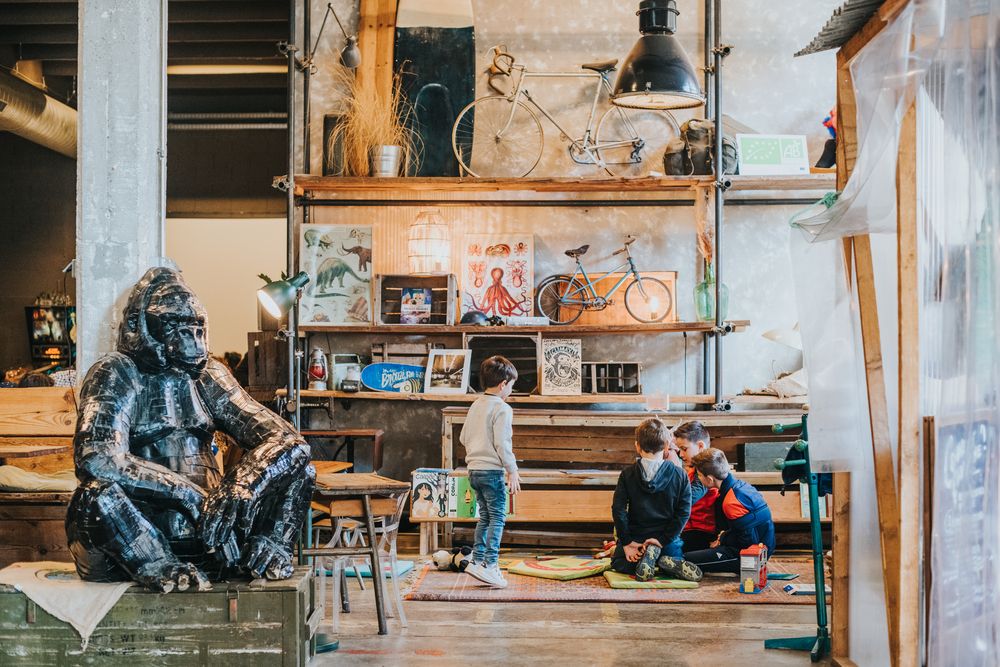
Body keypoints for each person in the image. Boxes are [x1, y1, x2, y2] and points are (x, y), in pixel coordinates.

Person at [610, 418, 702, 582]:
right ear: (667, 446)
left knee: (618, 562)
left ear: (637, 446)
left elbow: (619, 510)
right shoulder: (680, 474)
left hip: (636, 539)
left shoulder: (627, 474)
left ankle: (649, 562)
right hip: (667, 542)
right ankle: (663, 562)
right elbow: (683, 513)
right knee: (675, 556)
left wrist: (627, 542)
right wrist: (663, 540)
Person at [459, 355, 521, 588]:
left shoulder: (476, 404)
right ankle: (490, 565)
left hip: (473, 470)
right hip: (492, 471)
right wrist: (512, 470)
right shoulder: (502, 408)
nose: (511, 390)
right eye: (512, 386)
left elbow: (463, 437)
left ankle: (477, 559)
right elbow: (502, 444)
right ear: (504, 384)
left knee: (484, 516)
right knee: (498, 516)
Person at [683, 448, 776, 574]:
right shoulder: (739, 486)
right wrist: (723, 537)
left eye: (699, 476)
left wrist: (723, 539)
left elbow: (747, 543)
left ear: (710, 479)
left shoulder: (731, 501)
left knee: (685, 560)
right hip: (758, 547)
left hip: (752, 558)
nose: (698, 478)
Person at [674, 421, 720, 552]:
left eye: (684, 449)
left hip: (700, 532)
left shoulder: (706, 471)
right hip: (689, 529)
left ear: (700, 446)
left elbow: (688, 499)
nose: (681, 455)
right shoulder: (693, 470)